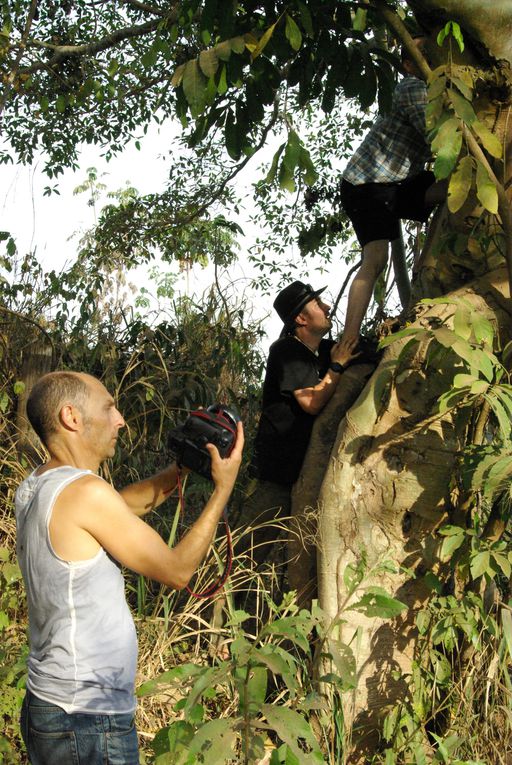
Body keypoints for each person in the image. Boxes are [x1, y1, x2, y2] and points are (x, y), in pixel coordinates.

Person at [15, 370, 243, 765]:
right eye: (109, 408)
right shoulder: (86, 493)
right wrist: (223, 489)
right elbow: (176, 571)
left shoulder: (37, 485)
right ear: (71, 417)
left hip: (52, 704)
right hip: (86, 716)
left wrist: (182, 471)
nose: (120, 419)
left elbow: (117, 507)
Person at [339, 37, 446, 347]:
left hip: (394, 184)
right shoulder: (413, 86)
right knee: (375, 258)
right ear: (409, 64)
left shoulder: (431, 90)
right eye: (424, 57)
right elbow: (436, 136)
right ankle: (348, 341)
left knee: (455, 190)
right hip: (367, 185)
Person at [242, 280, 359, 563]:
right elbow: (311, 402)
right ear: (301, 318)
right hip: (278, 474)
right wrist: (337, 367)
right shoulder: (285, 350)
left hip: (312, 471)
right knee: (247, 550)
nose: (327, 307)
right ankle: (215, 603)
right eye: (318, 305)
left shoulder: (324, 350)